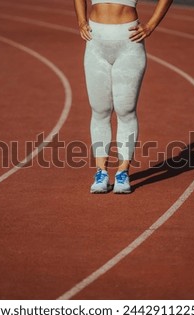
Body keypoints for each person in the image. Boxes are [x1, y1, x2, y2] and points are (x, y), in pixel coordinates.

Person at [73, 0, 173, 193]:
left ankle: (122, 172)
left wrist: (151, 25)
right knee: (99, 110)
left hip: (128, 41)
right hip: (96, 41)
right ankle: (101, 172)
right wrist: (80, 20)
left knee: (125, 110)